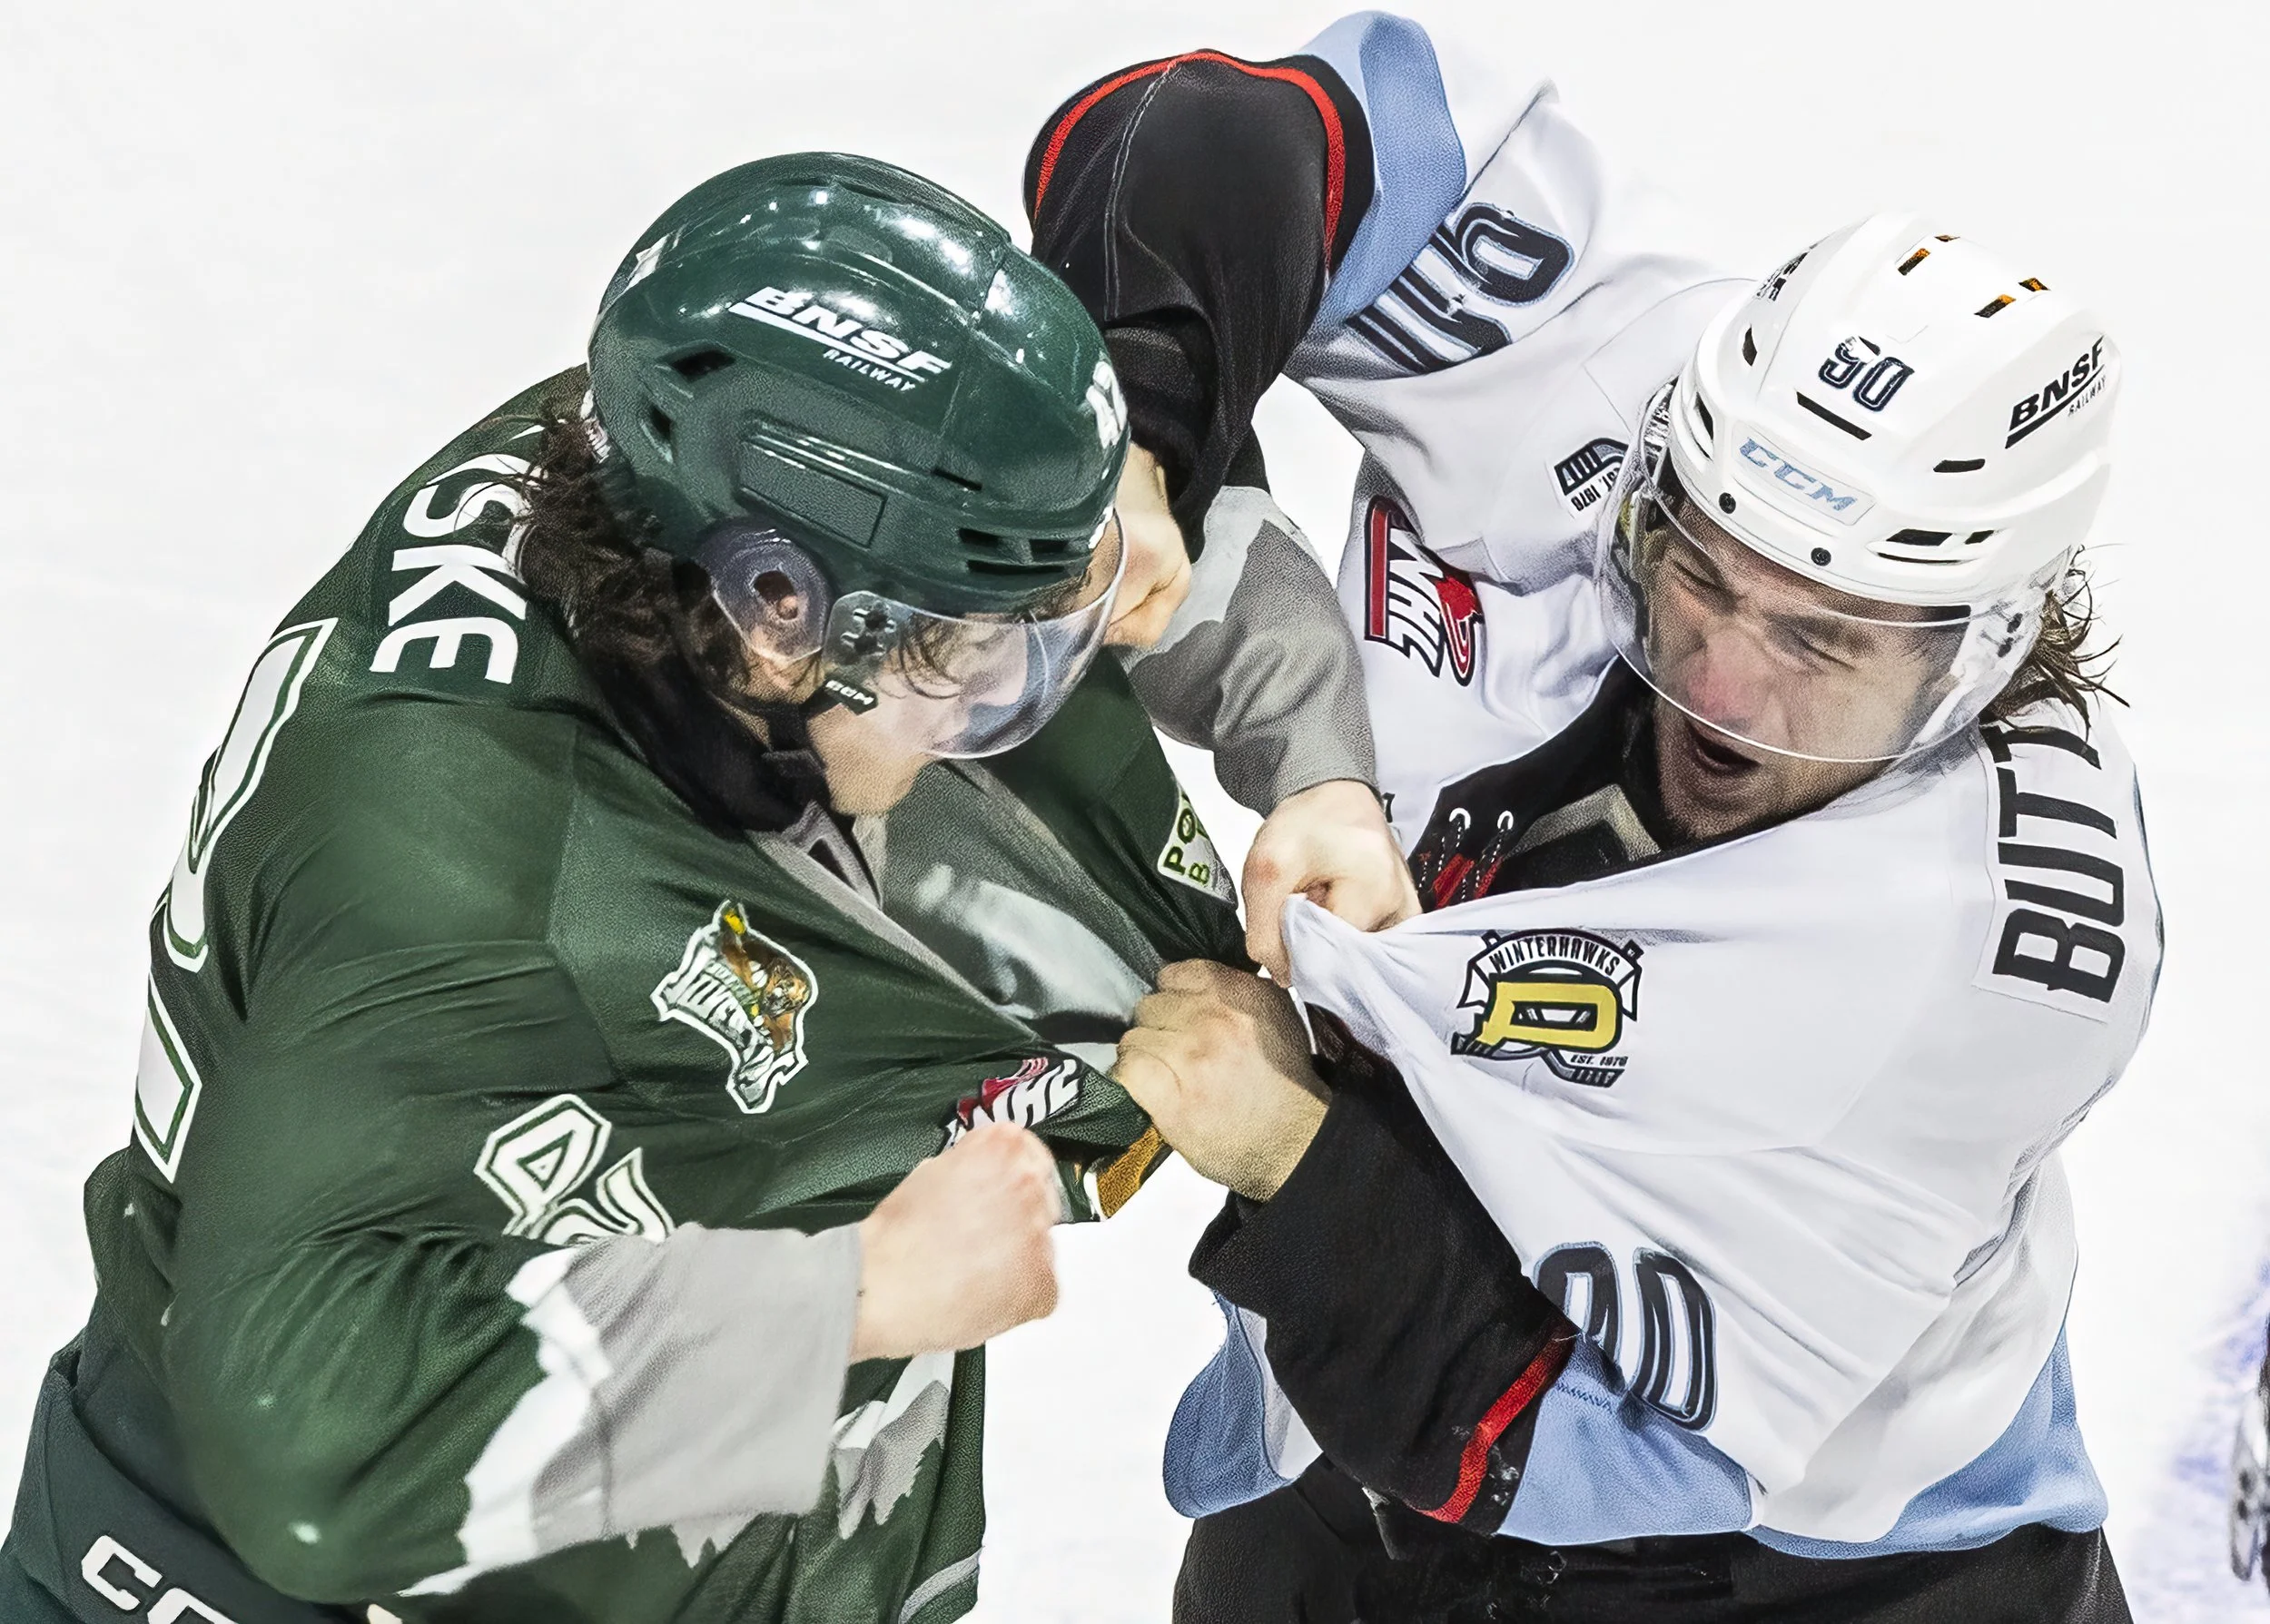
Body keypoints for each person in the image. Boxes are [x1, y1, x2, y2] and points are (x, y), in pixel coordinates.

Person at [0, 153, 1412, 1624]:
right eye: (973, 661)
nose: (1019, 705)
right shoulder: (447, 875)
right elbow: (298, 1435)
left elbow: (1190, 182)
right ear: (776, 621)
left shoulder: (713, 484)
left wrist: (1309, 749)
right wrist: (840, 1306)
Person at [1029, 15, 2157, 1620]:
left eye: (1821, 649)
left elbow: (1607, 1447)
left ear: (1987, 644)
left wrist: (1294, 1151)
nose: (1722, 688)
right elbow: (1216, 126)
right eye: (1696, 579)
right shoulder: (1653, 391)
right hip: (1361, 1448)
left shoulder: (1964, 966)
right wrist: (1138, 429)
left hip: (1835, 1560)